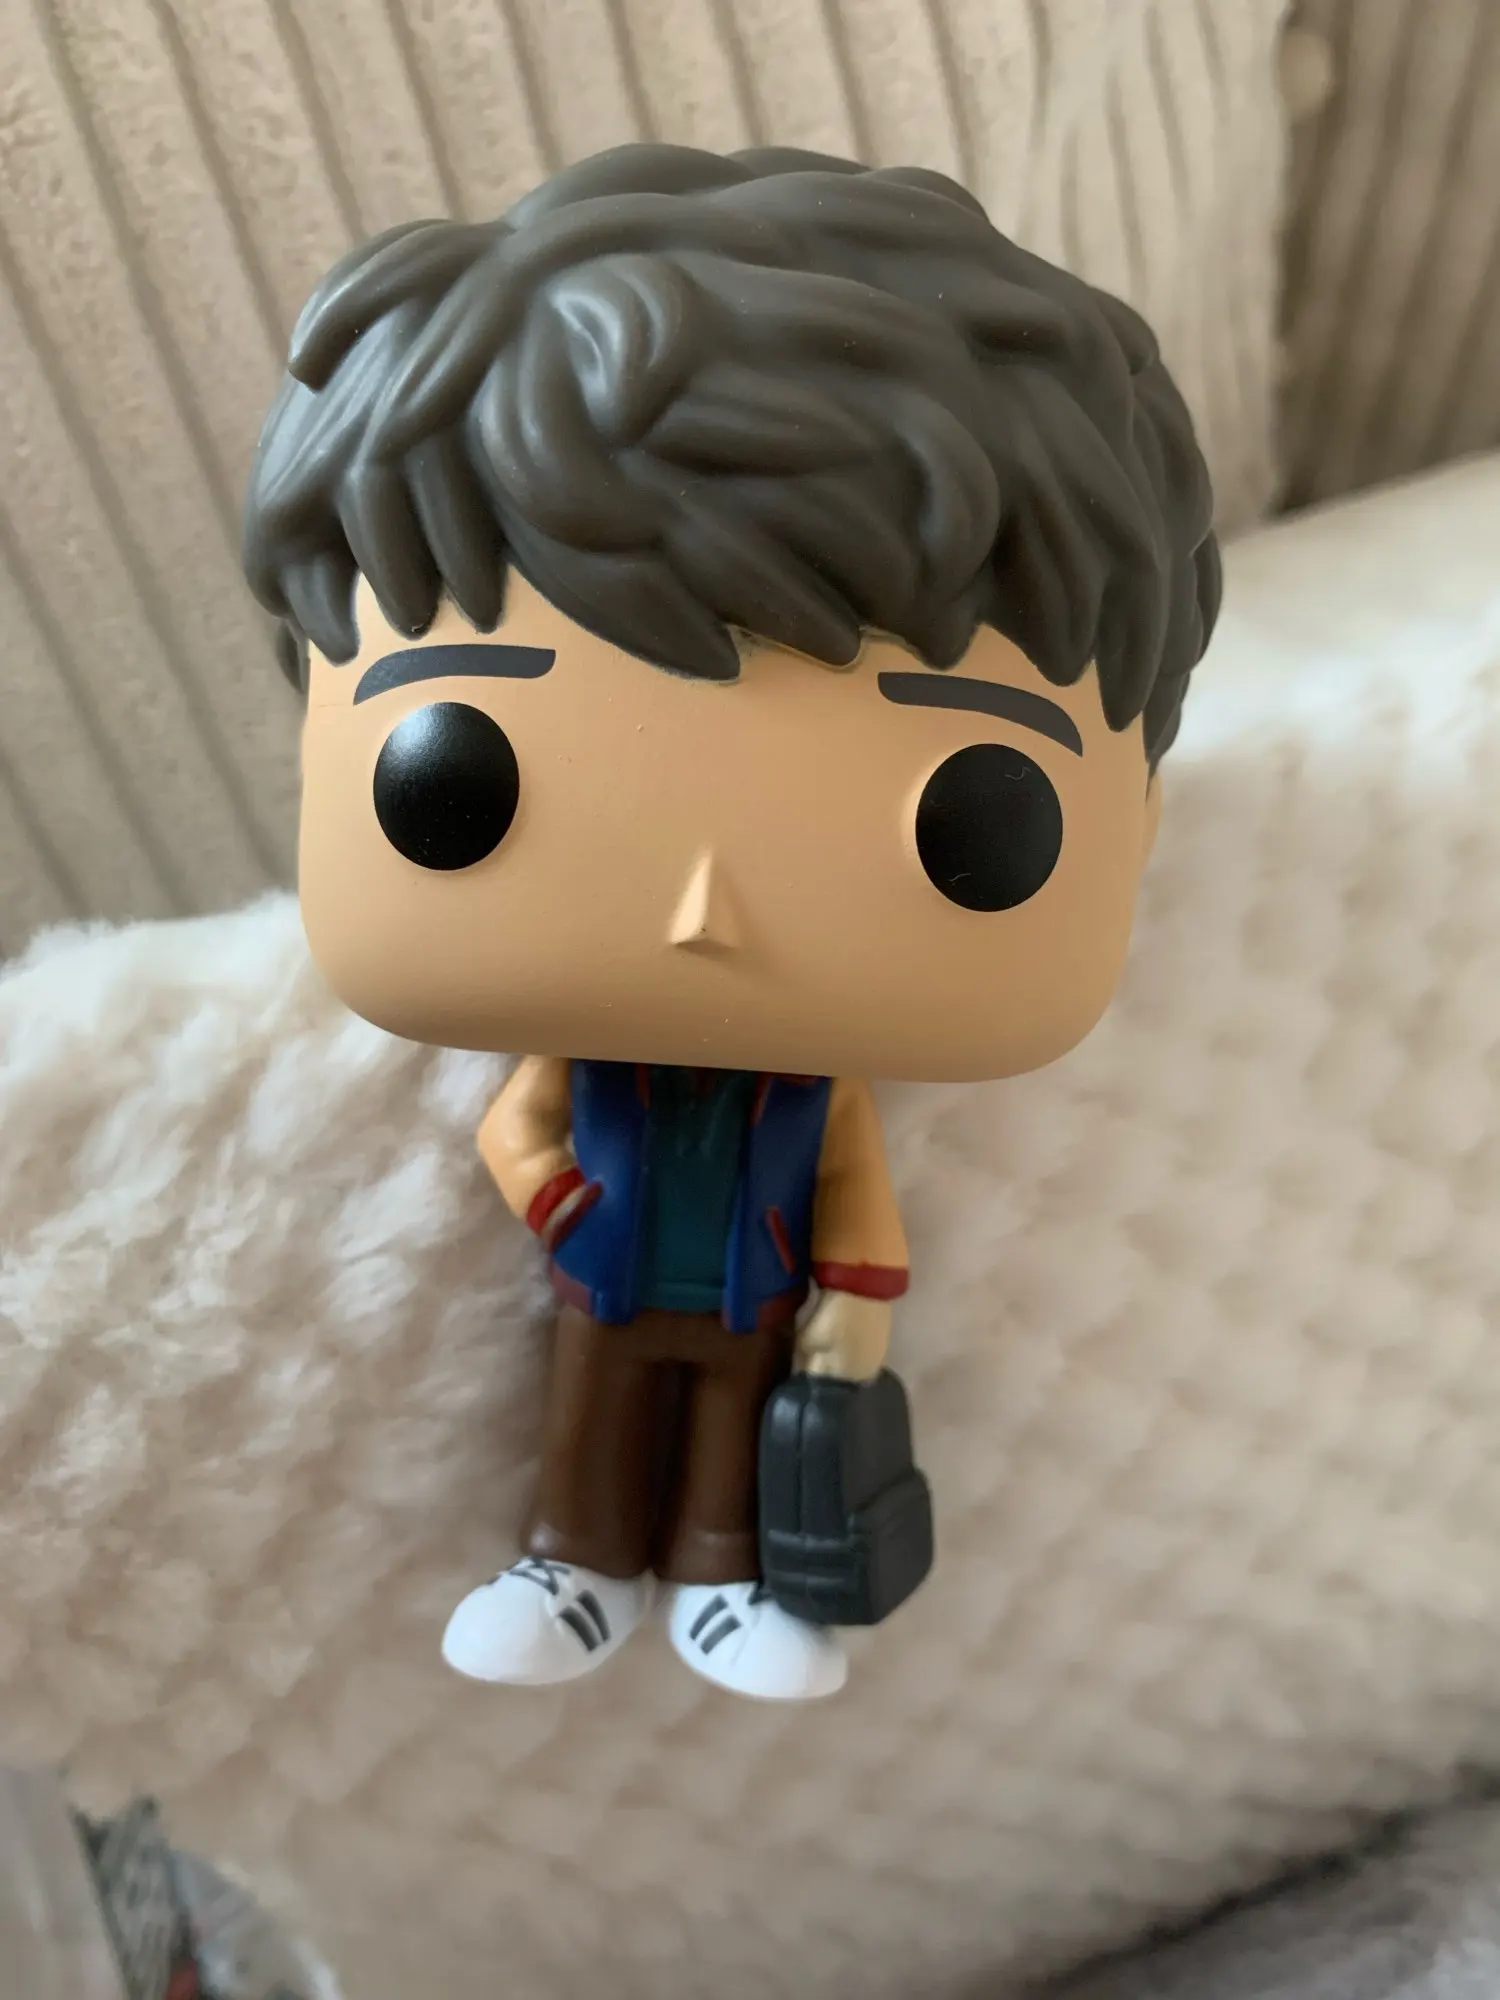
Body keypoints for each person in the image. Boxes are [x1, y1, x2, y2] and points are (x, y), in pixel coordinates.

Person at [242, 143, 1219, 1701]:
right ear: (316, 746)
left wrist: (855, 1316)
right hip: (610, 1280)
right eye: (456, 781)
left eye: (978, 822)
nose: (705, 914)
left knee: (725, 1439)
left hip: (754, 1295)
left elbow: (856, 1192)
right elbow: (518, 1128)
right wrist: (567, 1208)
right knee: (594, 1412)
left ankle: (715, 1573)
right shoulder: (601, 1070)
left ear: (1139, 818)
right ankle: (573, 1557)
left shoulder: (813, 1094)